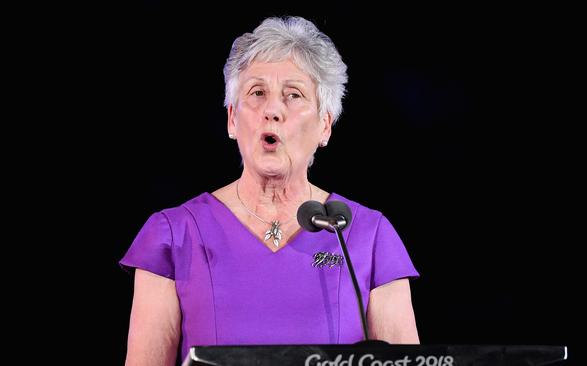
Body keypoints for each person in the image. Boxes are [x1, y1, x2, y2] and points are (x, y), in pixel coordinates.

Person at [120, 16, 420, 365]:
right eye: (257, 93)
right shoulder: (172, 236)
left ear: (325, 126)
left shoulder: (368, 236)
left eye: (293, 95)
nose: (272, 111)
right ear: (232, 119)